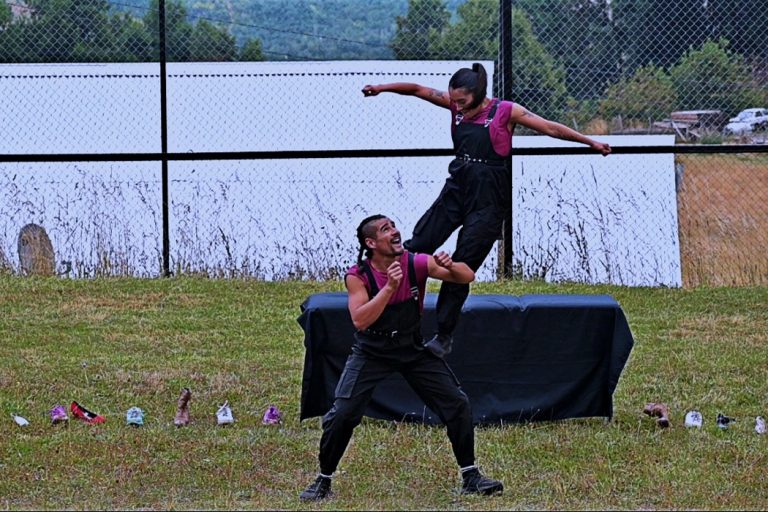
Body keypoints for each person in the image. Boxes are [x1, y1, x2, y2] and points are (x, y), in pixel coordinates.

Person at [362, 63, 611, 357]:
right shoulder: (455, 105)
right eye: (453, 102)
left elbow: (550, 127)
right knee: (417, 246)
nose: (457, 108)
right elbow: (417, 90)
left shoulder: (506, 112)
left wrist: (589, 142)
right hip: (457, 190)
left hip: (489, 201)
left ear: (478, 94)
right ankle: (388, 307)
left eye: (463, 103)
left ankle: (443, 335)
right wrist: (381, 88)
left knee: (460, 265)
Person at [300, 214, 503, 501]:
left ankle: (471, 476)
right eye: (386, 229)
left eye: (394, 226)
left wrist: (450, 266)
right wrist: (389, 289)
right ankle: (323, 481)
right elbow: (360, 320)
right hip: (372, 351)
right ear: (371, 243)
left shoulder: (414, 262)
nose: (395, 231)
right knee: (342, 414)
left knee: (457, 404)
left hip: (411, 349)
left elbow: (466, 276)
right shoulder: (358, 276)